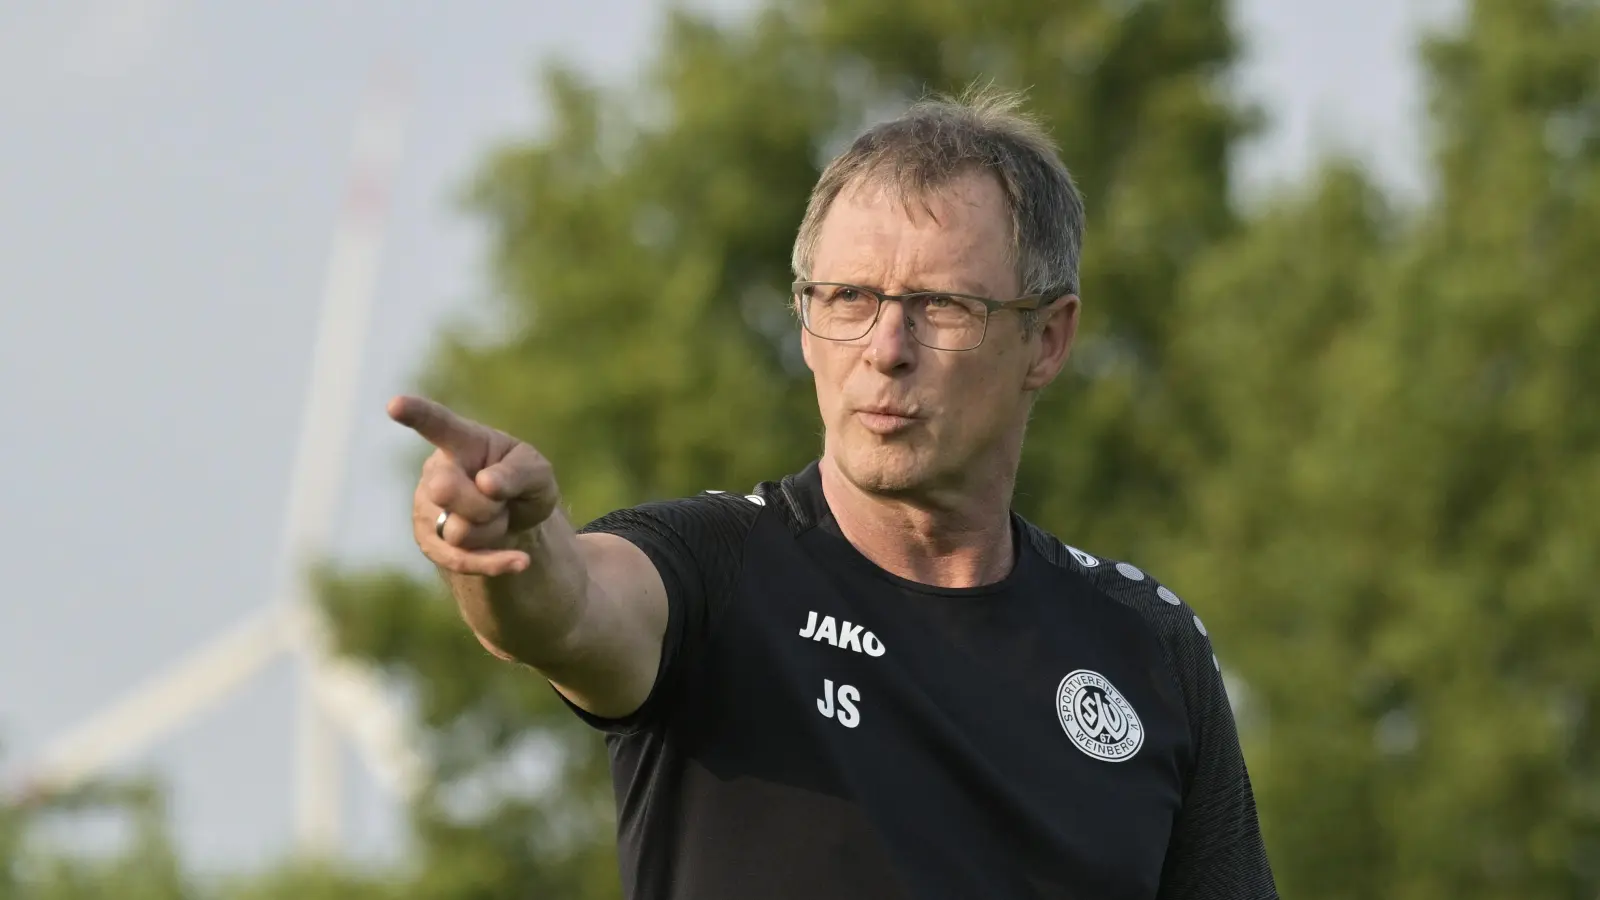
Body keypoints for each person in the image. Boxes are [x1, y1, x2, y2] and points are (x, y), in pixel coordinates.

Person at [389, 89, 1277, 900]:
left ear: (1047, 340)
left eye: (941, 306)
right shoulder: (715, 570)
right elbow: (572, 608)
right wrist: (505, 549)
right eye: (849, 298)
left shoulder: (1146, 646)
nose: (886, 347)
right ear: (807, 326)